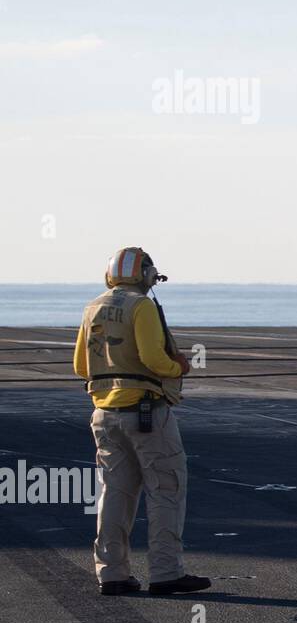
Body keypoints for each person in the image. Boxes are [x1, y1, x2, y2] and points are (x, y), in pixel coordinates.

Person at [72, 248, 211, 596]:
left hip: (104, 415)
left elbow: (80, 366)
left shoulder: (92, 308)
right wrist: (178, 367)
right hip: (147, 413)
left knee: (114, 495)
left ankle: (112, 574)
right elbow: (153, 358)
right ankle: (166, 573)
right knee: (166, 490)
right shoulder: (142, 306)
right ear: (145, 275)